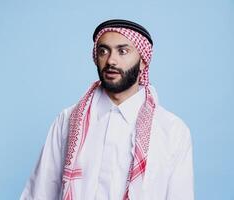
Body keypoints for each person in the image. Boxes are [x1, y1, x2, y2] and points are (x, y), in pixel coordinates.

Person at [20, 19, 194, 200]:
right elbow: (39, 193)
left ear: (143, 61)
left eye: (123, 51)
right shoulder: (68, 121)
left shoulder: (172, 130)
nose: (111, 60)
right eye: (103, 51)